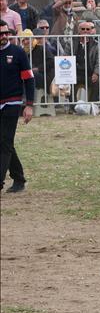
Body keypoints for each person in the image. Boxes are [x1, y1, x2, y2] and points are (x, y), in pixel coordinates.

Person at [0, 20, 34, 193]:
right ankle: (19, 178)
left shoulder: (18, 53)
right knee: (5, 142)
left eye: (7, 32)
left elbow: (29, 79)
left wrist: (29, 105)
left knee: (5, 141)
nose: (4, 36)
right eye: (1, 34)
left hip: (12, 103)